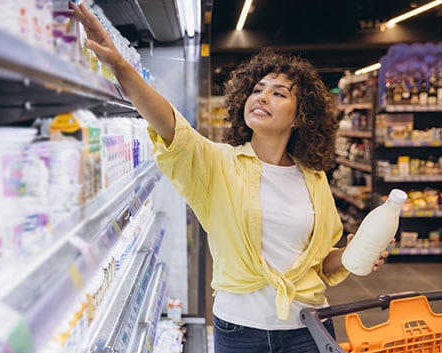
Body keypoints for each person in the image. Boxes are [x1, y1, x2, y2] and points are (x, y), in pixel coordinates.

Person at [69, 2, 390, 352]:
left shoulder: (313, 179)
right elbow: (172, 126)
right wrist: (118, 64)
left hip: (309, 328)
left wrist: (352, 253)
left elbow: (321, 262)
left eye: (278, 93)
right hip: (241, 332)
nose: (262, 96)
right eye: (257, 89)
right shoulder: (218, 164)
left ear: (301, 117)